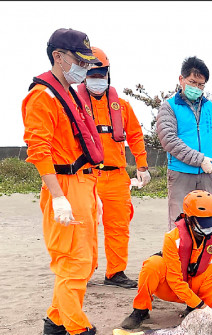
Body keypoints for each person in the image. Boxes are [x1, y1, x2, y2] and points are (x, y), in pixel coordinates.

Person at [22, 28, 115, 335]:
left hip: (83, 184)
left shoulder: (69, 93)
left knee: (86, 259)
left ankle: (55, 320)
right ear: (58, 56)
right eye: (78, 60)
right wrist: (58, 196)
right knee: (73, 263)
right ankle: (77, 333)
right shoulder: (42, 97)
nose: (83, 68)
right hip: (65, 186)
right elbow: (39, 149)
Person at [121, 191, 212, 329]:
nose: (209, 227)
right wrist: (201, 305)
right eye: (205, 222)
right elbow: (174, 280)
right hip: (169, 288)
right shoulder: (172, 238)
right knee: (153, 264)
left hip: (194, 286)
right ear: (189, 219)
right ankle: (140, 310)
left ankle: (195, 311)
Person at [78, 47, 150, 289]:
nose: (97, 79)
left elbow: (136, 136)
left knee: (119, 227)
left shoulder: (122, 106)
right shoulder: (74, 104)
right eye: (92, 74)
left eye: (101, 74)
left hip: (117, 177)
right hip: (87, 176)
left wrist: (142, 165)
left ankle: (115, 273)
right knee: (85, 227)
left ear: (108, 74)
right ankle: (83, 273)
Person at [156, 56, 212, 231]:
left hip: (208, 173)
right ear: (181, 80)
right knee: (180, 221)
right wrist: (199, 159)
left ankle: (203, 257)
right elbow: (169, 140)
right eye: (192, 82)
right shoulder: (168, 107)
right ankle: (178, 256)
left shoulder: (209, 106)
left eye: (201, 85)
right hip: (181, 173)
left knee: (208, 220)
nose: (197, 88)